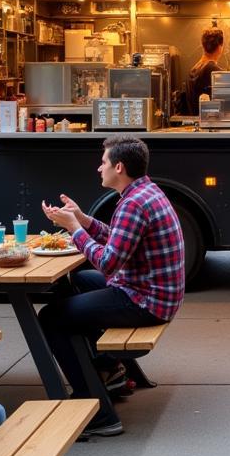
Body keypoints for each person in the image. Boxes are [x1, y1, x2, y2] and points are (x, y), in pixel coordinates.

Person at [39, 136, 185, 438]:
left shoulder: (132, 203)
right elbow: (119, 239)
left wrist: (74, 229)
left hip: (145, 301)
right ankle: (109, 369)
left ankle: (97, 410)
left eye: (103, 162)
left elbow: (107, 262)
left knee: (50, 318)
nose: (98, 167)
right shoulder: (145, 192)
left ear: (119, 167)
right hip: (152, 291)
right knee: (76, 282)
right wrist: (83, 219)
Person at [185, 27, 225, 115]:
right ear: (220, 47)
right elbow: (223, 104)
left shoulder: (194, 69)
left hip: (194, 122)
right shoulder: (213, 70)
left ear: (203, 46)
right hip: (208, 124)